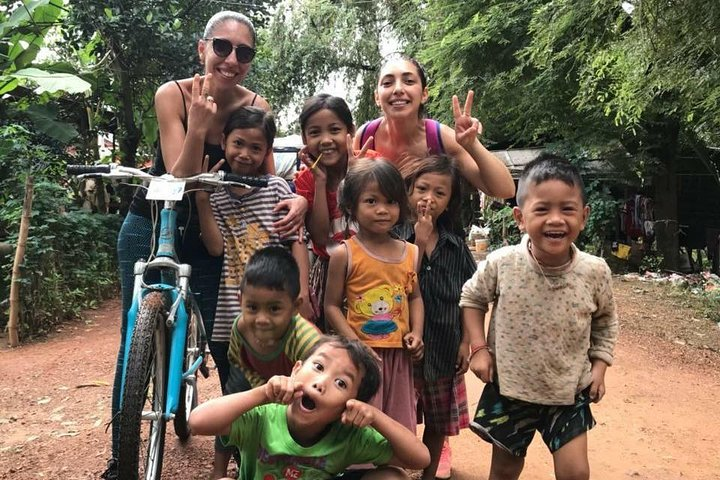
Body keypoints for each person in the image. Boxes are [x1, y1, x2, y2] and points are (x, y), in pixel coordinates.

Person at [106, 11, 307, 478]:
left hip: (217, 233)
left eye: (244, 52)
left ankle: (236, 441)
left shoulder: (257, 103)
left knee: (229, 338)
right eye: (222, 47)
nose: (231, 59)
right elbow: (178, 178)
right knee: (131, 333)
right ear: (202, 49)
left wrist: (293, 199)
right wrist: (198, 128)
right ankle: (121, 456)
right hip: (154, 218)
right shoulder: (172, 95)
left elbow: (265, 178)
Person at [459, 153, 619, 480]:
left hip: (568, 391)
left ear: (584, 216)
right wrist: (478, 348)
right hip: (510, 389)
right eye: (542, 209)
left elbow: (605, 322)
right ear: (520, 217)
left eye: (567, 209)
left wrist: (599, 368)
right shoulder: (502, 263)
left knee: (575, 472)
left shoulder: (594, 272)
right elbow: (472, 298)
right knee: (504, 471)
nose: (556, 219)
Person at [188, 335, 431, 479]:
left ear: (350, 404)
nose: (321, 383)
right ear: (295, 370)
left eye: (341, 383)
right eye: (318, 367)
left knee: (392, 477)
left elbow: (420, 458)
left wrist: (375, 416)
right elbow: (197, 422)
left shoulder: (348, 435)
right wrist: (262, 393)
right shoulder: (264, 417)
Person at [324, 159, 424, 436]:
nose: (382, 210)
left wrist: (417, 332)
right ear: (351, 206)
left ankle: (391, 470)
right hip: (361, 359)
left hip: (399, 358)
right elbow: (330, 306)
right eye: (371, 201)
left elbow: (414, 298)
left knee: (396, 422)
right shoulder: (345, 253)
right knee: (357, 420)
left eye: (391, 201)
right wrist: (355, 343)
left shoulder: (411, 253)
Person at [394, 155, 476, 480]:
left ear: (449, 201)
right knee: (399, 420)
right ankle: (395, 472)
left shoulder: (457, 246)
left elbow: (471, 296)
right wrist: (420, 240)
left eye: (439, 193)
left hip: (444, 348)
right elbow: (403, 285)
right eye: (422, 188)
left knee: (438, 422)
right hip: (402, 351)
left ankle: (428, 475)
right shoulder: (393, 240)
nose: (429, 198)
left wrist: (467, 341)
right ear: (408, 192)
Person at [208, 245, 321, 478]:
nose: (261, 319)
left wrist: (283, 393)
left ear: (295, 307)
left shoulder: (307, 341)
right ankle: (218, 470)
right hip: (251, 374)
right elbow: (236, 359)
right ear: (240, 301)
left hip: (296, 386)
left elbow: (318, 381)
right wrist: (260, 386)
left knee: (288, 425)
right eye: (252, 307)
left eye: (274, 309)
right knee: (231, 405)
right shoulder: (240, 326)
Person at [354, 55, 515, 200]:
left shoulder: (441, 137)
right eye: (388, 83)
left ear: (424, 94)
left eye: (409, 81)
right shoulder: (366, 136)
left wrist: (472, 145)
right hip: (379, 231)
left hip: (434, 230)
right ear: (377, 97)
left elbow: (505, 190)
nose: (398, 89)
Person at [293, 94, 372, 330]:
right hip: (329, 275)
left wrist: (356, 176)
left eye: (334, 130)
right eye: (315, 133)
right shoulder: (306, 178)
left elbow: (382, 221)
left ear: (351, 131)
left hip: (372, 268)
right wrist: (319, 182)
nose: (326, 140)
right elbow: (319, 237)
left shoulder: (372, 164)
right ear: (304, 138)